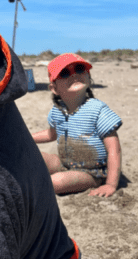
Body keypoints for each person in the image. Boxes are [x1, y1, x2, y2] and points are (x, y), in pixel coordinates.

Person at [32, 53, 122, 197]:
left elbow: (114, 149)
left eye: (79, 69)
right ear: (54, 88)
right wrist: (27, 138)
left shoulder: (97, 110)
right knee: (29, 156)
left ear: (88, 77)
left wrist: (110, 184)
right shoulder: (57, 111)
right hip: (65, 164)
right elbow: (52, 134)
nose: (73, 75)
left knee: (55, 183)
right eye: (65, 73)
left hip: (92, 172)